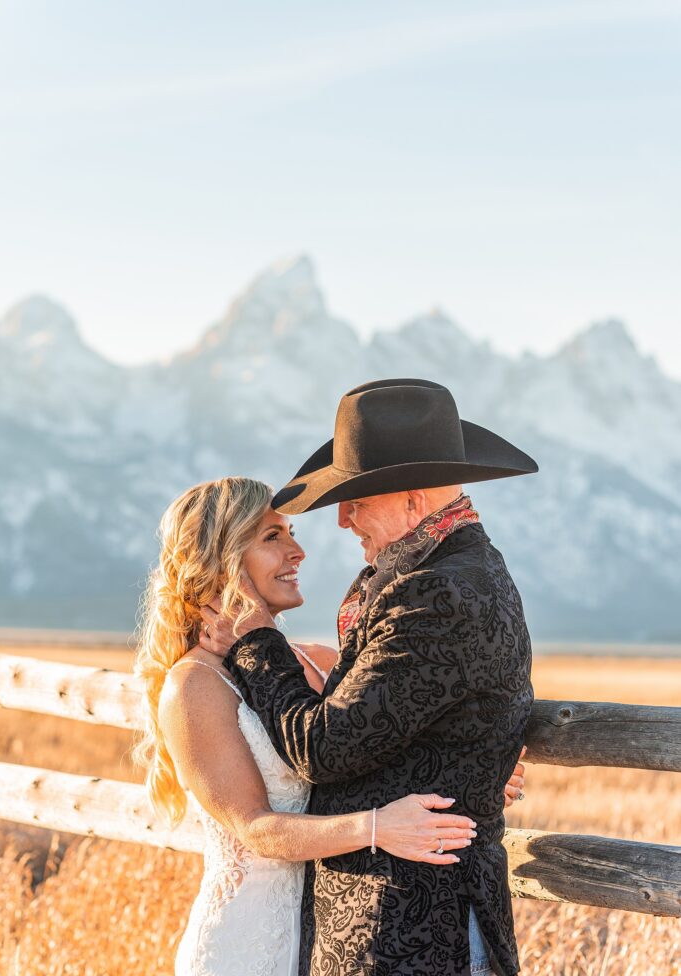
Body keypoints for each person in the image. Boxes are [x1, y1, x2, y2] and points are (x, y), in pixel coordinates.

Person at [199, 377, 537, 976]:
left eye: (358, 500)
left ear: (411, 499)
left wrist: (255, 642)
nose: (343, 520)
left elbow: (323, 749)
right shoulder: (454, 572)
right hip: (405, 918)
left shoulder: (434, 592)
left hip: (409, 926)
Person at [133, 476, 514, 976]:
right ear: (220, 558)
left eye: (290, 532)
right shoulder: (194, 686)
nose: (298, 551)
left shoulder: (317, 662)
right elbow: (254, 829)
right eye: (272, 537)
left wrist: (479, 764)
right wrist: (376, 828)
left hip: (331, 934)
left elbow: (384, 736)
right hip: (250, 942)